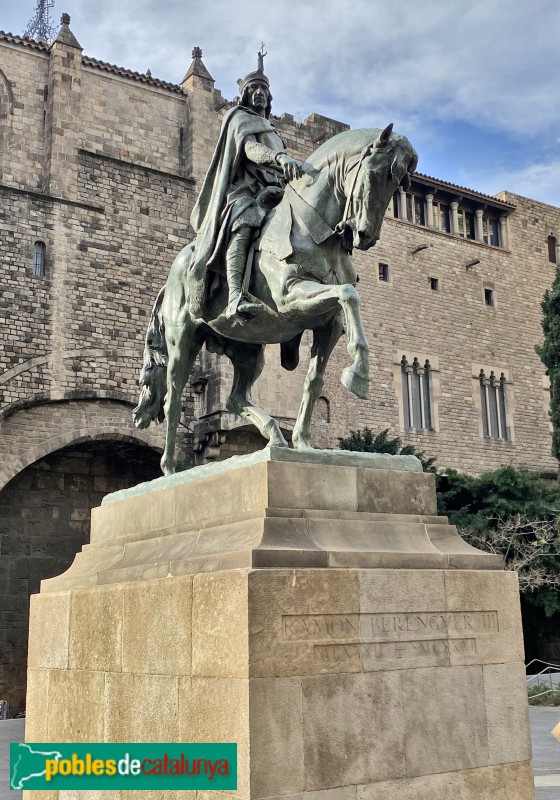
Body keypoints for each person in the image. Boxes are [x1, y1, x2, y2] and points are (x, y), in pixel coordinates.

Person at [189, 52, 302, 320]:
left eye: (263, 88)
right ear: (245, 94)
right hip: (244, 193)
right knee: (246, 219)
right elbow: (249, 149)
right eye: (253, 88)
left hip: (275, 194)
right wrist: (279, 158)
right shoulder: (238, 118)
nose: (259, 93)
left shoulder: (273, 131)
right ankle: (235, 297)